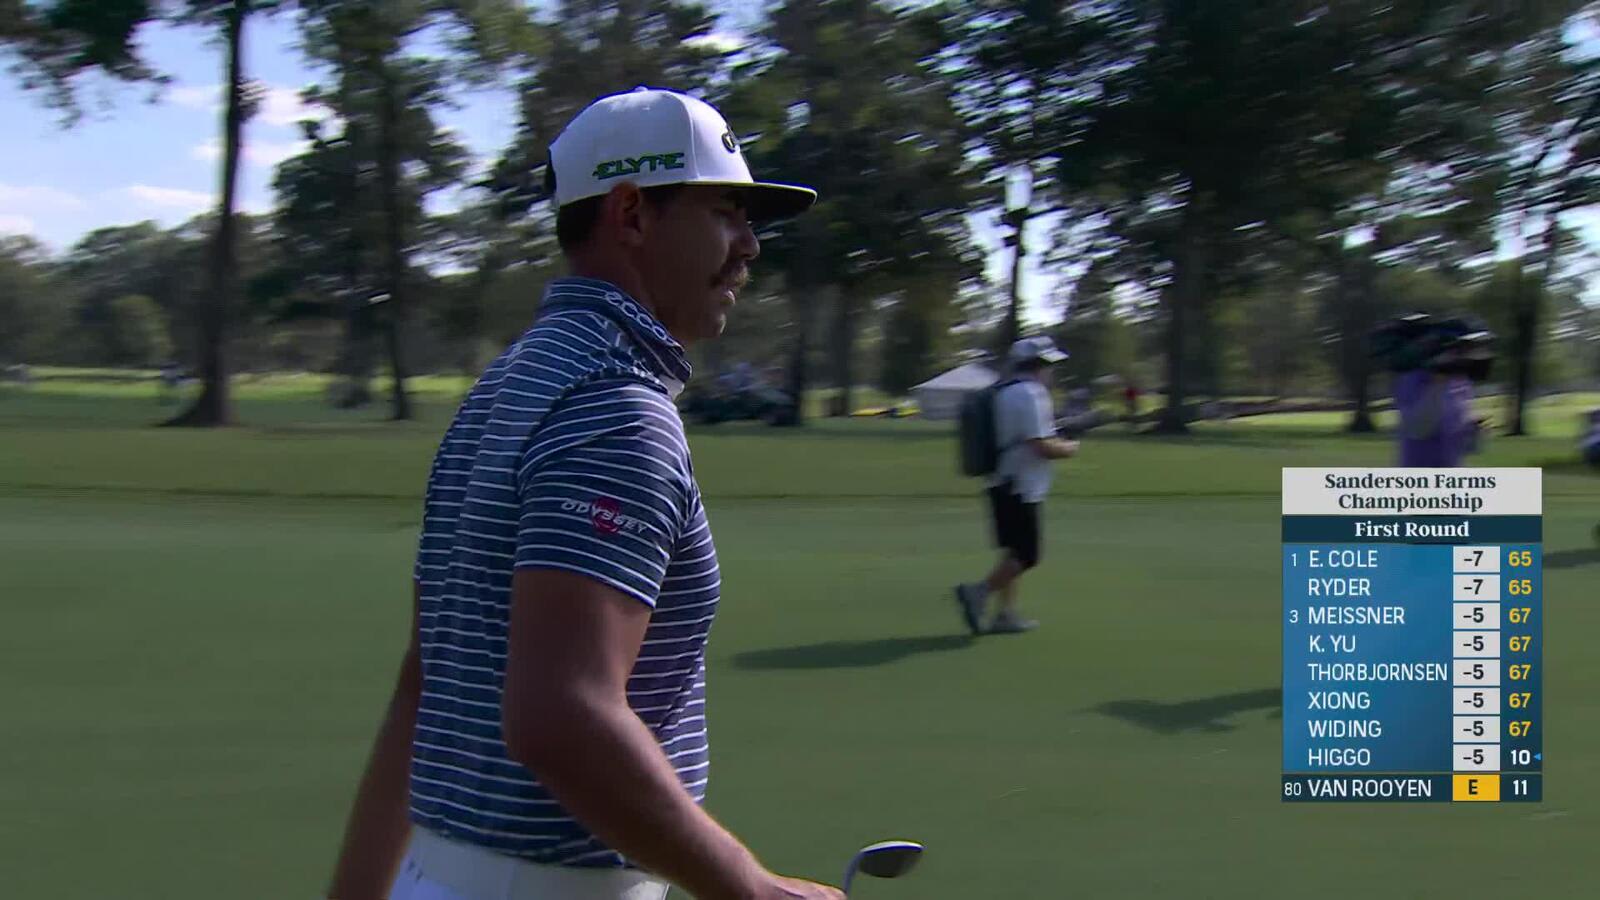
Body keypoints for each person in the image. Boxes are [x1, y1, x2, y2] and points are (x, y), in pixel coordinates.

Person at [326, 86, 839, 900]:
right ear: (631, 214)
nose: (750, 246)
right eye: (726, 213)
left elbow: (424, 683)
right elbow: (562, 717)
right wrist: (755, 890)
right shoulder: (614, 410)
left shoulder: (504, 387)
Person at [953, 337, 1080, 635]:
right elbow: (1040, 445)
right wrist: (1069, 448)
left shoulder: (1003, 392)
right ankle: (979, 593)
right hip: (1022, 485)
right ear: (1040, 366)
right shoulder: (1032, 393)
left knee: (1012, 552)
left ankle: (1006, 614)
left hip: (1001, 480)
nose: (1052, 373)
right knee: (1028, 554)